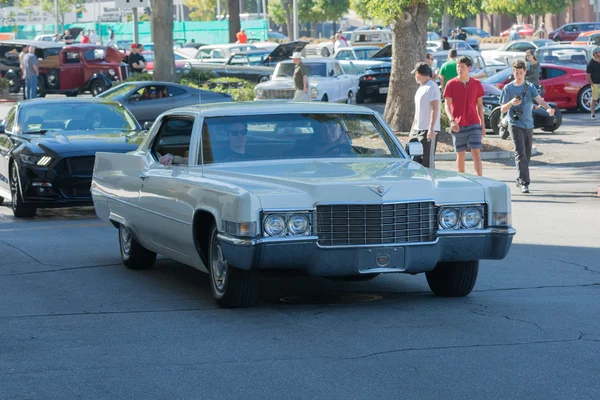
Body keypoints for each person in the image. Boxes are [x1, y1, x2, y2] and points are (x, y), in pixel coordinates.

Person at [500, 60, 555, 194]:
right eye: (516, 73)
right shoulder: (508, 88)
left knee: (527, 155)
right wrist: (511, 103)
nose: (518, 75)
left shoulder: (530, 87)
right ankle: (525, 183)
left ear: (525, 72)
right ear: (513, 73)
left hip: (528, 125)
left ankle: (520, 178)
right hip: (514, 124)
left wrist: (548, 109)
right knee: (520, 153)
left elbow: (539, 100)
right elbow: (502, 109)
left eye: (521, 72)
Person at [443, 55, 486, 176]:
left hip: (474, 123)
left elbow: (480, 106)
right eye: (458, 67)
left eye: (462, 67)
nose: (459, 69)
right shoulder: (451, 84)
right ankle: (462, 179)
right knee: (460, 154)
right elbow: (447, 105)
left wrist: (483, 126)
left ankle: (480, 179)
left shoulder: (476, 84)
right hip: (458, 124)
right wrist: (452, 120)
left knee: (476, 153)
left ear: (469, 68)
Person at [409, 62, 440, 168]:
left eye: (415, 74)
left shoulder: (432, 87)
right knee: (414, 162)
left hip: (428, 130)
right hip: (417, 129)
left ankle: (430, 182)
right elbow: (418, 112)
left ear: (418, 73)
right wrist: (412, 130)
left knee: (427, 163)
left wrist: (431, 129)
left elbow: (435, 108)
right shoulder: (420, 88)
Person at [585, 47, 600, 119]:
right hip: (595, 84)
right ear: (595, 54)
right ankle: (592, 113)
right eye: (599, 52)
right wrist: (592, 84)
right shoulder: (591, 63)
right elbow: (588, 76)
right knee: (594, 99)